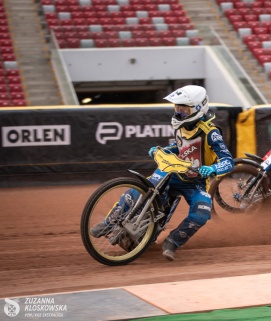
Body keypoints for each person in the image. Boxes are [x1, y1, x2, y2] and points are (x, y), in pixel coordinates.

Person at [91, 85, 234, 261]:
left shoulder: (211, 133)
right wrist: (163, 150)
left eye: (183, 109)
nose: (178, 113)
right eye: (177, 108)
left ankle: (172, 242)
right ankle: (109, 222)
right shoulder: (181, 126)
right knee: (143, 189)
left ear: (198, 108)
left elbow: (228, 161)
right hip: (171, 172)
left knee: (202, 211)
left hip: (195, 183)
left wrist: (212, 169)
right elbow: (180, 148)